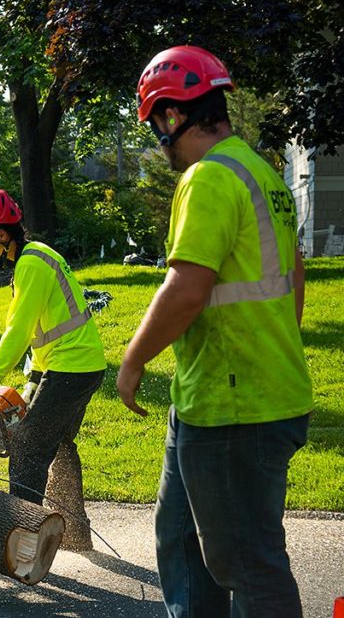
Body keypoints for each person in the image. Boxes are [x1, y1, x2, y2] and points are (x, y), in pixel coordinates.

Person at [117, 45, 312, 617]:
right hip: (216, 398)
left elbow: (187, 288)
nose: (159, 136)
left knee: (246, 563)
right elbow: (293, 276)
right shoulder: (263, 173)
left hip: (235, 408)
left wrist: (132, 361)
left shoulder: (208, 177)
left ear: (172, 116)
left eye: (157, 121)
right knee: (181, 542)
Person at [0, 189, 106, 549]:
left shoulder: (31, 264)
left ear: (0, 233)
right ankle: (75, 534)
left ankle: (21, 544)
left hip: (72, 366)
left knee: (28, 446)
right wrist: (33, 382)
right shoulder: (36, 257)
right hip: (76, 364)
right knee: (56, 443)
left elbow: (19, 331)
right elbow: (46, 331)